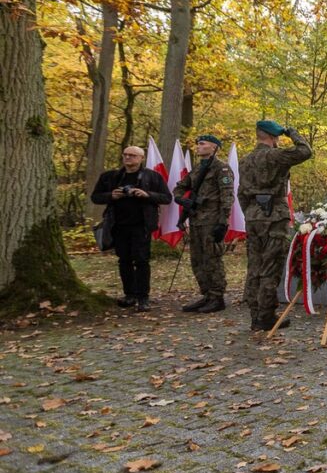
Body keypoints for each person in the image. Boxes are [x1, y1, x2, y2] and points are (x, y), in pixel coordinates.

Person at [238, 121, 312, 331]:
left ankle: (255, 315)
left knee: (254, 267)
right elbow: (305, 151)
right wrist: (292, 132)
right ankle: (266, 316)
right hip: (275, 217)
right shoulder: (276, 156)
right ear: (273, 137)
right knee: (270, 266)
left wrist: (251, 213)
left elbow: (241, 193)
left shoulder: (245, 161)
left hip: (253, 216)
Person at [90, 146, 172, 311]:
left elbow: (166, 198)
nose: (128, 158)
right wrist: (111, 196)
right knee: (124, 260)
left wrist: (147, 194)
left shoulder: (152, 176)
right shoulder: (110, 177)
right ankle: (130, 295)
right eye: (125, 155)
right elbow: (95, 197)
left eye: (132, 155)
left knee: (142, 261)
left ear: (141, 158)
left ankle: (143, 298)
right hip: (117, 225)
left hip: (142, 225)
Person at [174, 134, 234, 314]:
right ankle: (206, 294)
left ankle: (217, 297)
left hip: (212, 221)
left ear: (214, 147)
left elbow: (227, 196)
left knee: (212, 258)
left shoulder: (221, 169)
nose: (198, 147)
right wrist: (181, 200)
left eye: (202, 144)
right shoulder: (197, 168)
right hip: (196, 220)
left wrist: (223, 222)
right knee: (197, 259)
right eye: (197, 144)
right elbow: (180, 187)